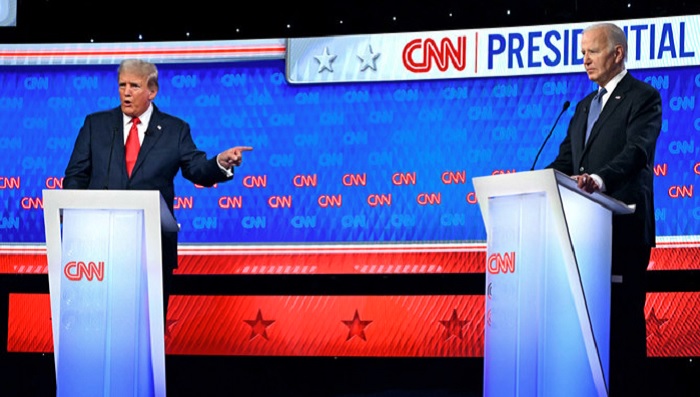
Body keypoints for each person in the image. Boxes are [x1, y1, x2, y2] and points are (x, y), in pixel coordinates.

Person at [63, 58, 253, 322]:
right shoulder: (96, 125)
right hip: (99, 249)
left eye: (135, 86)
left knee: (146, 328)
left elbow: (196, 169)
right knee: (97, 325)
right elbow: (75, 176)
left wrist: (221, 162)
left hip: (151, 249)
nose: (126, 92)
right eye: (122, 85)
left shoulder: (175, 130)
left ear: (152, 91)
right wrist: (76, 216)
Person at [545, 23, 662, 396]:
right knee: (587, 325)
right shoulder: (582, 106)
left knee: (623, 324)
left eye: (591, 52)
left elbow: (637, 152)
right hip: (584, 234)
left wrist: (599, 179)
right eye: (582, 54)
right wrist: (534, 183)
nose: (584, 61)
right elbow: (566, 160)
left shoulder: (643, 97)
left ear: (617, 54)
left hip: (623, 228)